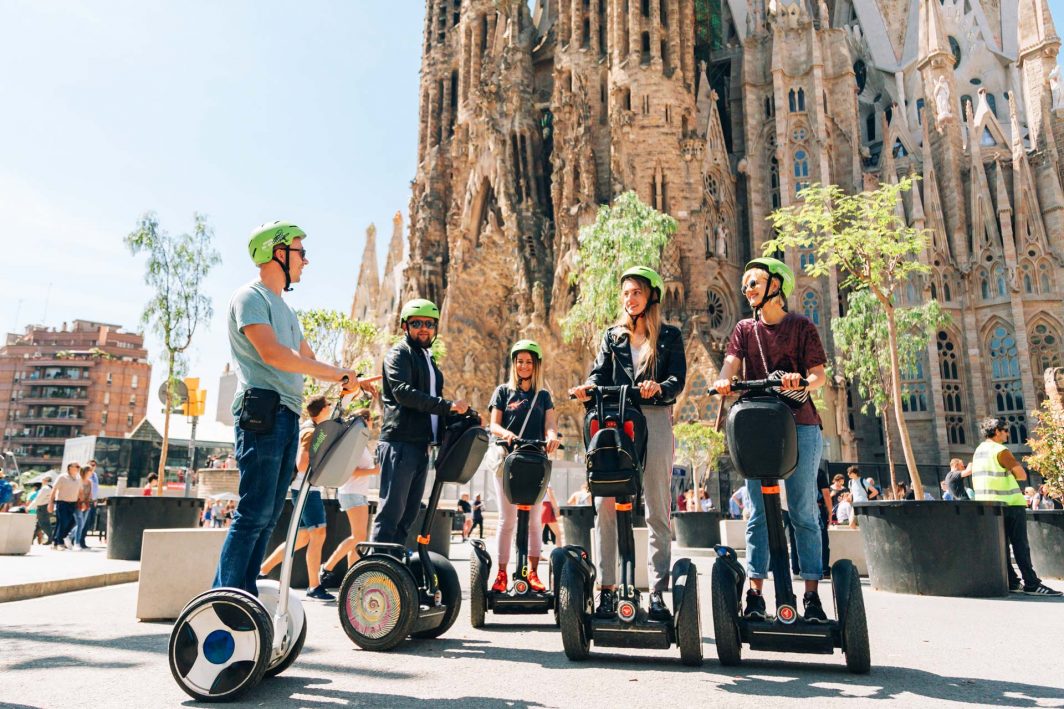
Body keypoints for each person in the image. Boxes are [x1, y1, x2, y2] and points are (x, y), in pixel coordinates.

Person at [212, 221, 366, 596]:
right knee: (252, 514)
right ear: (276, 253)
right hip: (261, 414)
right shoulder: (250, 298)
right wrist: (333, 372)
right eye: (300, 252)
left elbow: (307, 358)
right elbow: (275, 354)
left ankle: (242, 593)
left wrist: (345, 377)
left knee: (267, 519)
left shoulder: (287, 311)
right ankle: (225, 597)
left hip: (285, 416)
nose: (306, 261)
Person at [713, 256, 830, 623]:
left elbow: (819, 376)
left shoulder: (801, 327)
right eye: (745, 283)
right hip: (759, 427)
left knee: (803, 512)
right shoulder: (744, 329)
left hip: (800, 424)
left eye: (754, 282)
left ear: (775, 286)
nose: (747, 288)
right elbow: (731, 364)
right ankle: (755, 594)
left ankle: (811, 595)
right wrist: (723, 381)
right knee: (757, 516)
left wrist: (802, 382)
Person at [570, 266, 686, 622]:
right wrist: (587, 387)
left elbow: (677, 380)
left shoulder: (668, 336)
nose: (629, 299)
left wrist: (660, 387)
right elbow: (599, 373)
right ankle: (606, 589)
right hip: (618, 418)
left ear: (651, 295)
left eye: (636, 292)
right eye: (625, 293)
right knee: (605, 501)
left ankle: (656, 592)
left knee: (656, 506)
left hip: (654, 416)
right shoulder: (612, 337)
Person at [373, 298, 466, 547]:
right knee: (391, 513)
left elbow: (432, 401)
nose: (423, 328)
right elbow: (403, 393)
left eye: (429, 323)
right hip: (399, 443)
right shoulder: (398, 354)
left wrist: (456, 414)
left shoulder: (428, 359)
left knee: (408, 517)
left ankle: (394, 572)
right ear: (405, 327)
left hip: (421, 445)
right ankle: (375, 576)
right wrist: (447, 406)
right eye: (417, 323)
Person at [486, 340, 560, 593]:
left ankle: (532, 573)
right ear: (514, 364)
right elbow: (493, 424)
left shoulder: (543, 395)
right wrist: (506, 433)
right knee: (507, 520)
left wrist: (552, 437)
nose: (524, 366)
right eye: (520, 361)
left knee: (535, 521)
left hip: (535, 461)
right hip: (507, 461)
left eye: (529, 362)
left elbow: (550, 424)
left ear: (536, 365)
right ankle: (502, 573)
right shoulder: (503, 392)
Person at [259, 395, 343, 600]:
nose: (331, 409)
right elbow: (303, 464)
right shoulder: (310, 431)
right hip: (307, 490)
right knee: (318, 534)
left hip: (306, 489)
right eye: (329, 405)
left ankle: (261, 570)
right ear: (322, 409)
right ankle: (314, 586)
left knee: (303, 538)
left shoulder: (312, 429)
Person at [971, 417, 1061, 596]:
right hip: (1011, 504)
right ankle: (1031, 583)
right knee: (1020, 545)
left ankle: (1012, 581)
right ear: (996, 431)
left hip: (989, 506)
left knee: (1002, 546)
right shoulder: (1000, 450)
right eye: (1005, 430)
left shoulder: (979, 450)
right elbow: (1021, 475)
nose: (1007, 433)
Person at [319, 408, 380, 589]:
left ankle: (352, 579)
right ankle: (328, 566)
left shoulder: (358, 441)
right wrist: (375, 471)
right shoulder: (356, 443)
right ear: (365, 421)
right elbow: (352, 471)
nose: (372, 424)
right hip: (352, 492)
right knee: (358, 537)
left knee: (358, 540)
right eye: (371, 420)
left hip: (356, 493)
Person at [49, 462, 83, 550]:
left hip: (73, 503)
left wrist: (82, 501)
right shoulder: (62, 477)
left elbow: (80, 491)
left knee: (71, 522)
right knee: (63, 522)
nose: (79, 468)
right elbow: (54, 489)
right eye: (77, 466)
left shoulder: (78, 478)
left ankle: (55, 541)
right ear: (70, 468)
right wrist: (50, 503)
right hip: (62, 502)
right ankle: (60, 543)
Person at [72, 466, 94, 550]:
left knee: (82, 524)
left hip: (87, 503)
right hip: (78, 503)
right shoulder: (78, 480)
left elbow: (89, 494)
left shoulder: (90, 482)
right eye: (89, 471)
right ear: (84, 471)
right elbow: (77, 492)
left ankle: (69, 536)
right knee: (80, 523)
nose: (91, 472)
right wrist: (82, 502)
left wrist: (89, 502)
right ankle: (76, 543)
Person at [29, 475, 54, 545]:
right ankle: (30, 539)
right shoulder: (51, 487)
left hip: (42, 507)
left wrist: (29, 507)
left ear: (45, 480)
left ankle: (51, 538)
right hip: (46, 506)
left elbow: (38, 499)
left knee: (44, 523)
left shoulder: (45, 488)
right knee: (39, 525)